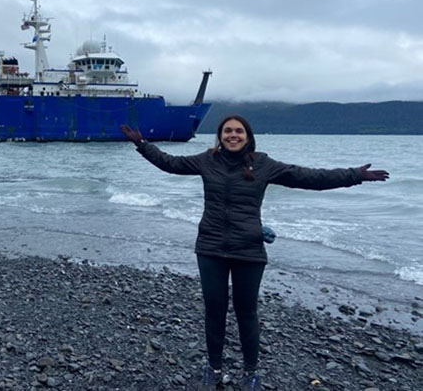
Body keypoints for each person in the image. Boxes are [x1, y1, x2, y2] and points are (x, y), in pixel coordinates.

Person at [120, 116, 389, 391]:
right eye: (227, 131)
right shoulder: (206, 160)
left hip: (248, 250)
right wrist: (142, 145)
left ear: (247, 136)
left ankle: (251, 372)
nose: (232, 135)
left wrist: (354, 176)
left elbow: (309, 177)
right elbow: (171, 164)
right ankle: (213, 368)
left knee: (246, 312)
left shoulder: (263, 164)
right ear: (220, 136)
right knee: (215, 311)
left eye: (238, 131)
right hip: (210, 247)